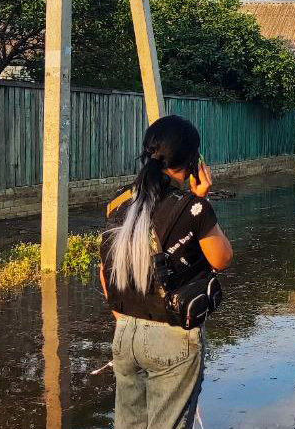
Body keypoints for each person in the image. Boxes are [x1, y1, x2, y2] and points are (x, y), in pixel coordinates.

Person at [99, 115, 233, 429]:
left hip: (126, 332)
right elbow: (222, 258)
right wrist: (201, 199)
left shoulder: (120, 204)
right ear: (193, 161)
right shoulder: (193, 208)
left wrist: (125, 318)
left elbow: (106, 269)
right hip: (172, 336)